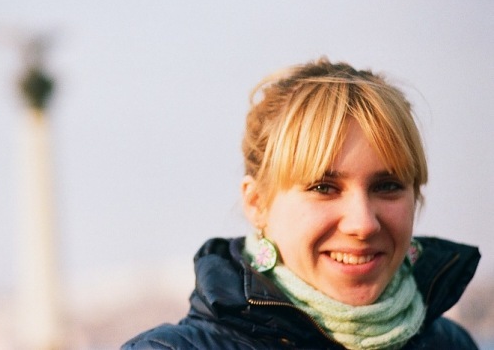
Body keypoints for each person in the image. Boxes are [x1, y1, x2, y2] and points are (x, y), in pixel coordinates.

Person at [122, 58, 481, 349]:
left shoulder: (451, 343)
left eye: (387, 186)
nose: (363, 223)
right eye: (324, 187)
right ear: (257, 203)